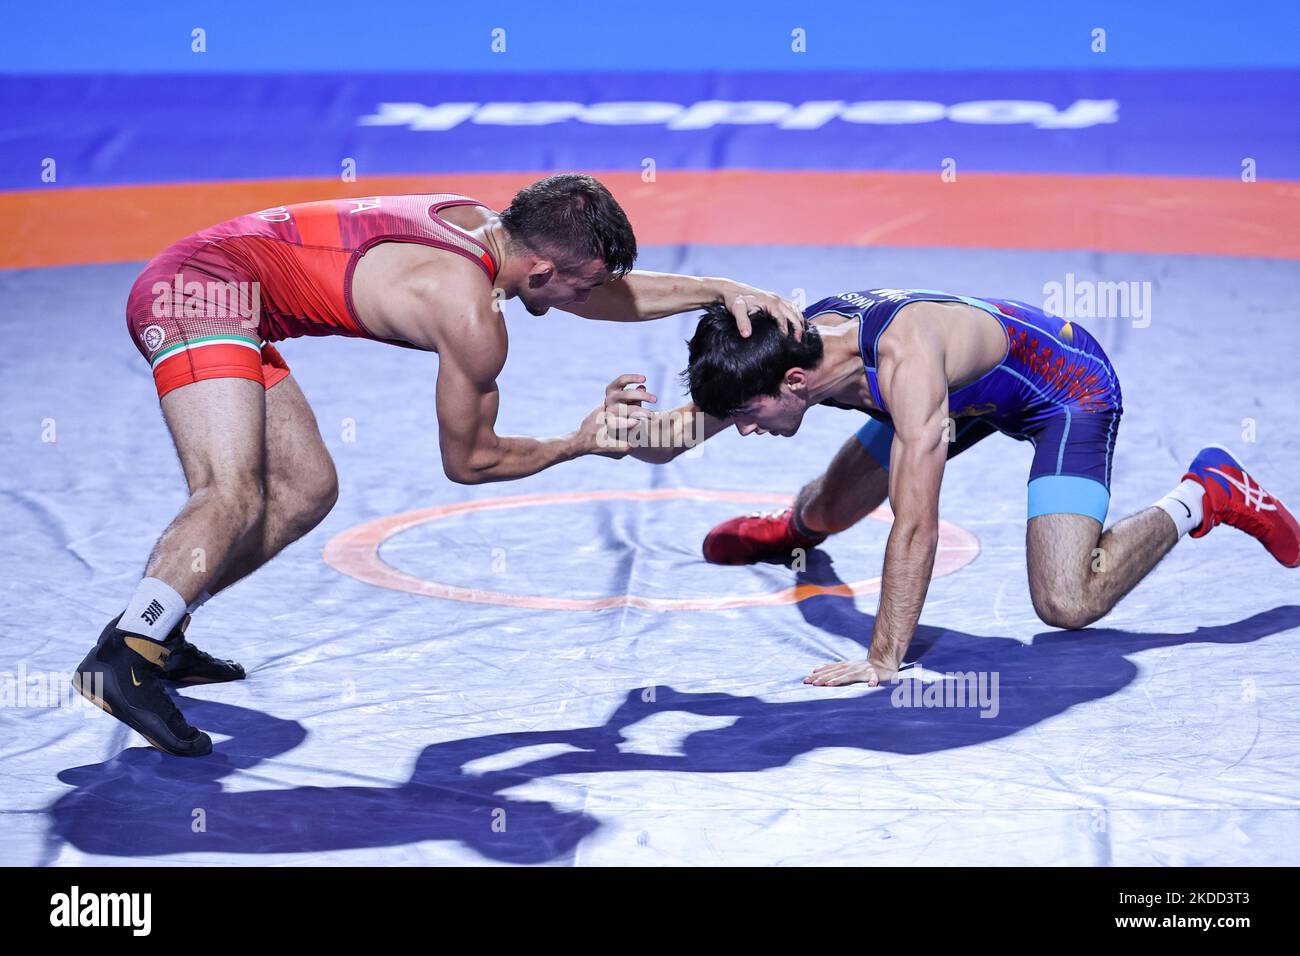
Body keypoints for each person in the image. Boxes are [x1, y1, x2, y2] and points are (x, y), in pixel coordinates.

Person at [75, 174, 803, 756]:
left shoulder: (484, 226)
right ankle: (125, 653)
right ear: (543, 267)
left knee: (305, 489)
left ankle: (159, 632)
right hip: (196, 294)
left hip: (228, 292)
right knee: (230, 490)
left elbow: (597, 293)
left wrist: (720, 289)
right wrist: (580, 442)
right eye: (582, 285)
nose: (588, 299)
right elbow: (471, 461)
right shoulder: (471, 314)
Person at [623, 289, 1299, 686]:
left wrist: (883, 658)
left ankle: (1204, 493)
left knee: (1066, 599)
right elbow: (674, 437)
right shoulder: (781, 348)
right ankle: (794, 531)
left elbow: (915, 525)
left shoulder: (903, 362)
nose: (741, 431)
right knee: (827, 507)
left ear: (795, 386)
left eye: (748, 417)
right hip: (958, 399)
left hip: (1063, 392)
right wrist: (612, 431)